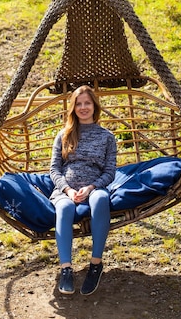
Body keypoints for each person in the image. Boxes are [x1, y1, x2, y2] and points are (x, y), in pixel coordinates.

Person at [49, 85, 117, 296]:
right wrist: (68, 190)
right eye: (79, 104)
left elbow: (110, 171)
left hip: (94, 188)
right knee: (65, 208)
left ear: (94, 106)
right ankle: (66, 270)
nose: (83, 107)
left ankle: (95, 264)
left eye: (87, 103)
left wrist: (91, 187)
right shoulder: (64, 135)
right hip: (66, 191)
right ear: (73, 108)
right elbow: (54, 169)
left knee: (100, 200)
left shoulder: (106, 137)